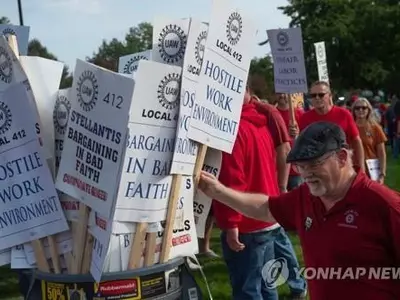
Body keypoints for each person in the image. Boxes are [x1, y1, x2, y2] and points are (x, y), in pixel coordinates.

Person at [199, 121, 400, 300]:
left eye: (313, 164)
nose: (306, 174)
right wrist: (219, 192)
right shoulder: (306, 196)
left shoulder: (383, 204)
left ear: (341, 157)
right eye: (300, 167)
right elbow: (266, 208)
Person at [212, 86, 280, 299]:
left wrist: (231, 224)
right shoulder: (260, 124)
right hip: (267, 214)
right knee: (268, 285)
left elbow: (232, 181)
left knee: (247, 289)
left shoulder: (232, 131)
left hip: (247, 224)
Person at [250, 94, 307, 299]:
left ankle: (297, 285)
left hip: (274, 187)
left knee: (279, 240)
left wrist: (281, 187)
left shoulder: (269, 113)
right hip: (265, 188)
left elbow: (285, 150)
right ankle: (292, 285)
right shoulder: (261, 112)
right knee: (275, 242)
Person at [298, 81, 365, 171]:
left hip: (341, 167)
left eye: (321, 95)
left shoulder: (344, 114)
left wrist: (361, 167)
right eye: (313, 95)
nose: (317, 98)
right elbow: (302, 145)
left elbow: (356, 141)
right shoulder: (305, 118)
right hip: (317, 169)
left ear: (329, 96)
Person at [351, 98, 387, 183]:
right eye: (357, 108)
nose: (360, 110)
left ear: (368, 110)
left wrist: (382, 174)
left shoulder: (375, 128)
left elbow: (381, 153)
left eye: (364, 108)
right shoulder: (349, 127)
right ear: (353, 110)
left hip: (371, 170)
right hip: (353, 171)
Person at [275, 93, 304, 190]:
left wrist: (298, 134)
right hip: (277, 169)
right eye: (279, 93)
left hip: (296, 170)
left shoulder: (300, 114)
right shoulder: (271, 114)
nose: (282, 95)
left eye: (285, 93)